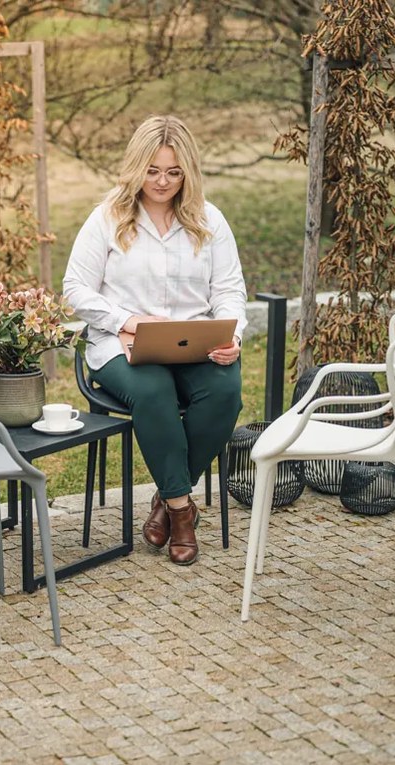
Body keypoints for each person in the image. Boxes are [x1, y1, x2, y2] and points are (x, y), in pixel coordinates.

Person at [63, 114, 247, 566]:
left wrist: (232, 333)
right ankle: (183, 512)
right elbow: (75, 290)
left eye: (173, 172)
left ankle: (166, 499)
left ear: (188, 172)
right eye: (152, 170)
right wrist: (127, 321)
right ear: (135, 166)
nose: (162, 182)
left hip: (194, 343)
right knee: (153, 391)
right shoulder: (108, 217)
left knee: (225, 393)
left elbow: (229, 290)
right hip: (120, 345)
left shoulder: (209, 219)